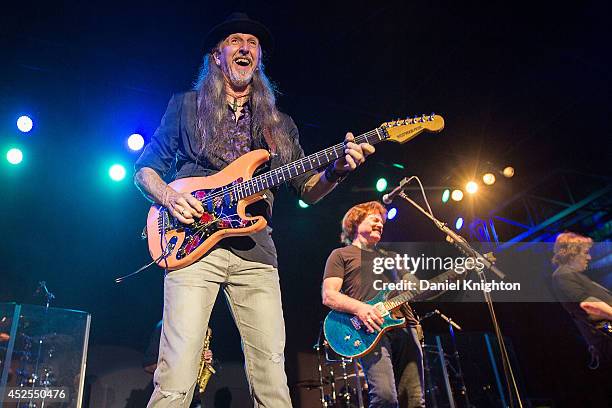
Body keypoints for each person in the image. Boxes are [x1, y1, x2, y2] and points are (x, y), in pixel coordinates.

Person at [134, 12, 375, 407]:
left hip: (256, 253)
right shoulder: (186, 106)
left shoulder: (278, 124)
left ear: (258, 58)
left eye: (253, 43)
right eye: (235, 41)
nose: (245, 47)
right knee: (176, 372)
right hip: (191, 247)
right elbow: (145, 170)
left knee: (271, 376)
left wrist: (337, 170)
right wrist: (170, 197)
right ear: (217, 55)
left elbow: (308, 190)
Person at [321, 201, 425, 408]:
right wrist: (361, 308)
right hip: (370, 328)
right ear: (356, 222)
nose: (380, 222)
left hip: (406, 326)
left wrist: (450, 276)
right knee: (385, 397)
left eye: (382, 220)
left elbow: (415, 287)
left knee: (414, 401)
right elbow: (329, 296)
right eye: (374, 218)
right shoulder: (341, 255)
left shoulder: (392, 258)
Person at [551, 232, 612, 366]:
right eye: (585, 252)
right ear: (572, 254)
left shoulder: (576, 277)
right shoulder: (562, 275)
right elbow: (588, 305)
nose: (589, 257)